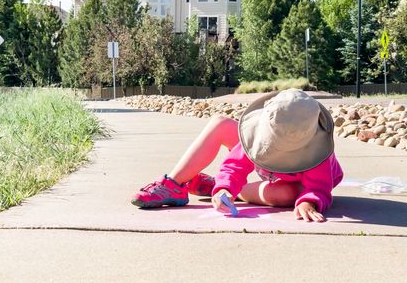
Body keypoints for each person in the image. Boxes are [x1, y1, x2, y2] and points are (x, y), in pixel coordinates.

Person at [131, 89, 343, 223]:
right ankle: (175, 184)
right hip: (267, 166)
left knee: (288, 195)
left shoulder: (317, 153)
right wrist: (225, 186)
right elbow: (236, 165)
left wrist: (308, 203)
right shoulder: (259, 136)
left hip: (294, 182)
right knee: (220, 124)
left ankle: (234, 191)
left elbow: (318, 188)